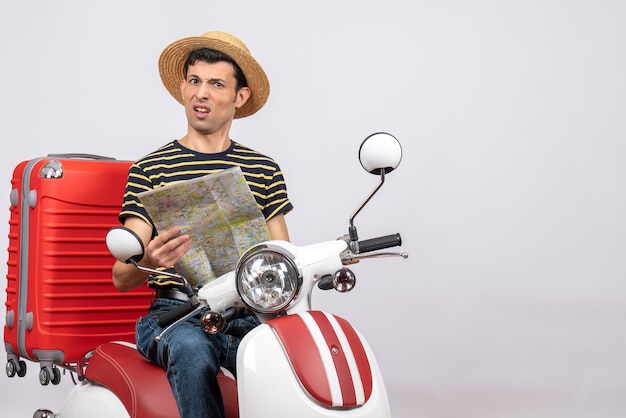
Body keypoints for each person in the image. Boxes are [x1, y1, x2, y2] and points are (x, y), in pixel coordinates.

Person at [112, 31, 293, 418]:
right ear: (182, 88)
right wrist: (152, 259)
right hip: (177, 317)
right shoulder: (150, 169)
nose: (201, 94)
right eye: (194, 81)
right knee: (193, 351)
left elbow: (284, 259)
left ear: (239, 97)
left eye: (216, 84)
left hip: (247, 317)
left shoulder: (263, 170)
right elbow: (120, 277)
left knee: (299, 350)